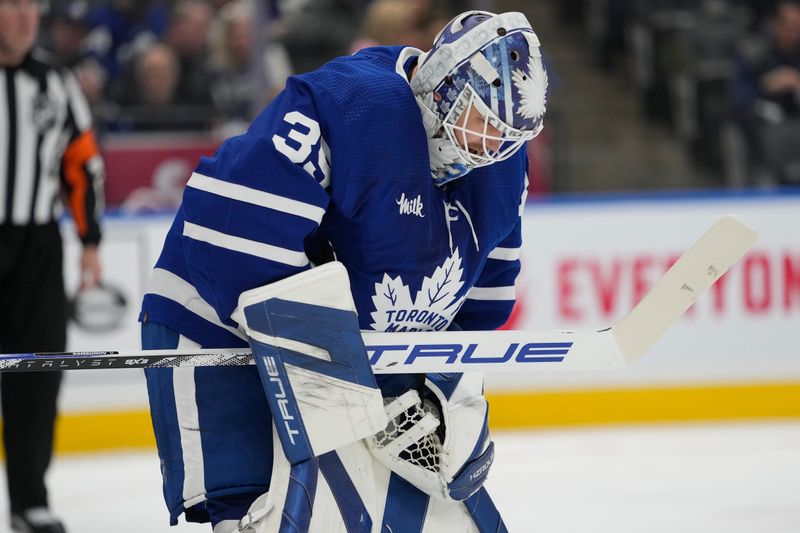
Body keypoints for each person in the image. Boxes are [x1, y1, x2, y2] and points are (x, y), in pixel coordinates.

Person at [140, 9, 547, 532]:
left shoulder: (500, 167)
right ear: (444, 85)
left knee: (396, 509)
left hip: (346, 358)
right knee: (248, 513)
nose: (489, 147)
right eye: (480, 123)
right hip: (216, 321)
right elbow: (230, 230)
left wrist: (434, 382)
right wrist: (337, 367)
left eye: (506, 136)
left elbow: (481, 305)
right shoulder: (355, 104)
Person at [0, 0, 105, 532]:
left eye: (31, 7)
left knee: (37, 372)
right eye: (11, 5)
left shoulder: (54, 82)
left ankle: (29, 499)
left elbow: (82, 161)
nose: (24, 17)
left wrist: (89, 241)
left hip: (38, 249)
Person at [733, 0, 800, 183]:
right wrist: (766, 85)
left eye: (798, 27)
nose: (795, 33)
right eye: (791, 26)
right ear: (775, 25)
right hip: (764, 123)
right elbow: (738, 98)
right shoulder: (753, 52)